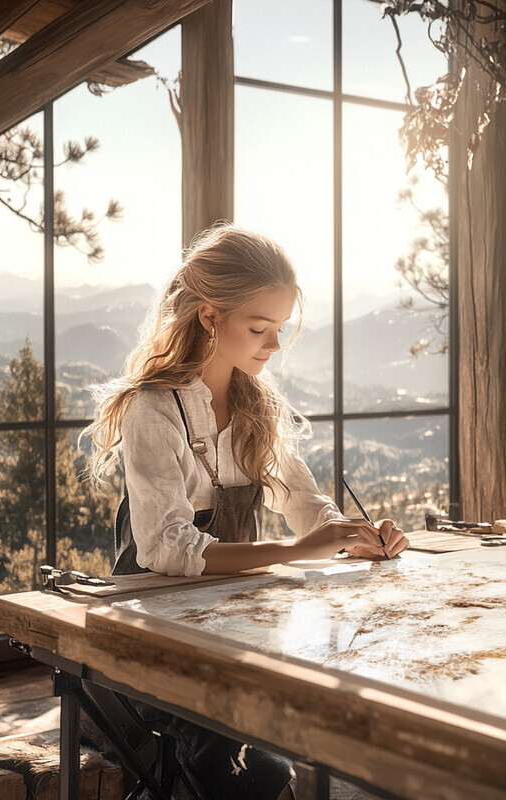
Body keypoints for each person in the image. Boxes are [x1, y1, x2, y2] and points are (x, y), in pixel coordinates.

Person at [84, 223, 409, 800]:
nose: (274, 346)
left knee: (342, 701)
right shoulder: (154, 409)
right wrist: (298, 551)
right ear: (209, 318)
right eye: (259, 328)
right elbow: (165, 548)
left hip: (237, 622)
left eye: (279, 330)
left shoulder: (259, 406)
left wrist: (347, 536)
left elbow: (306, 503)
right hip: (157, 631)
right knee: (237, 750)